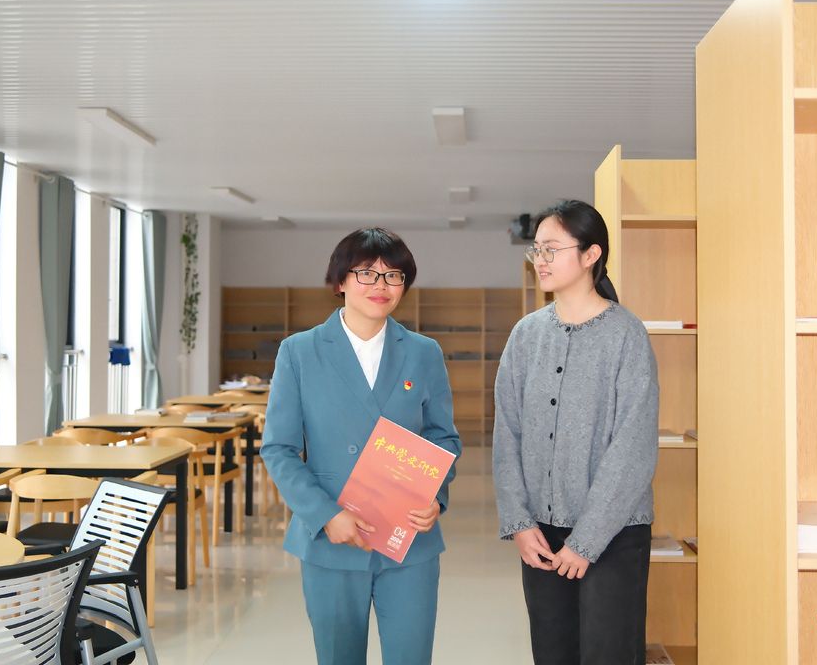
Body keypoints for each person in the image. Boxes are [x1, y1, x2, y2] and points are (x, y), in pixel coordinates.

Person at [262, 227, 462, 665]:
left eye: (393, 275)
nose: (381, 285)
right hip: (332, 538)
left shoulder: (424, 352)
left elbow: (443, 438)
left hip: (408, 539)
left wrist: (434, 496)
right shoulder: (300, 352)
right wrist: (324, 514)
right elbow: (278, 449)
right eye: (367, 273)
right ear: (340, 281)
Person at [493, 199, 659, 665]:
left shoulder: (626, 334)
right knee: (552, 653)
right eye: (537, 250)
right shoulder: (526, 335)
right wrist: (519, 523)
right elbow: (507, 434)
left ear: (591, 255)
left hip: (614, 533)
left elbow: (633, 447)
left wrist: (586, 541)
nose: (540, 260)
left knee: (609, 654)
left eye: (552, 249)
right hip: (540, 535)